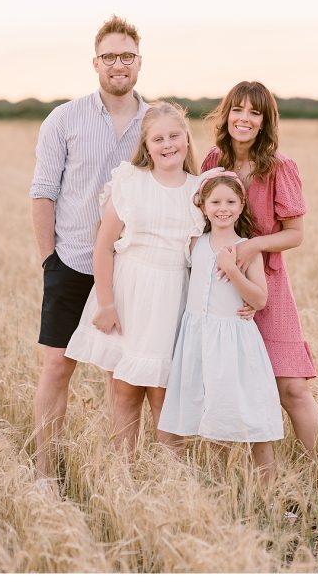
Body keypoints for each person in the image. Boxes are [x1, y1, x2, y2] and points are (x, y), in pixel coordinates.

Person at [201, 81, 318, 514]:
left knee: (292, 388)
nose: (244, 119)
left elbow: (296, 234)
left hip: (271, 287)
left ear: (266, 121)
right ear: (226, 115)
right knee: (227, 385)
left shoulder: (280, 167)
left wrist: (252, 247)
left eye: (255, 113)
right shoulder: (213, 161)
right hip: (223, 287)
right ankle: (251, 494)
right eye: (237, 110)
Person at [29, 16, 148, 486]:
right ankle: (45, 475)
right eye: (110, 57)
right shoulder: (64, 118)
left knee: (122, 376)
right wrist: (48, 260)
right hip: (73, 262)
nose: (118, 64)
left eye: (127, 56)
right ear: (95, 62)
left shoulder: (156, 121)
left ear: (139, 62)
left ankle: (122, 476)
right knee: (58, 367)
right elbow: (43, 193)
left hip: (134, 267)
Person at [64, 102, 205, 453]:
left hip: (173, 296)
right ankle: (122, 480)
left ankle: (171, 482)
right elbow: (104, 247)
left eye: (175, 135)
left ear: (187, 139)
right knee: (125, 391)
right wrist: (107, 303)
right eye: (158, 138)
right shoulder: (130, 181)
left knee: (165, 394)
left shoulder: (199, 190)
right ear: (147, 145)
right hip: (130, 294)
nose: (168, 144)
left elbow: (202, 256)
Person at [158, 172, 282, 485]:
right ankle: (218, 493)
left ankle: (268, 496)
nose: (222, 208)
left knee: (250, 418)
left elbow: (261, 299)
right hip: (199, 341)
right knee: (212, 419)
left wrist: (231, 270)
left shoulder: (246, 248)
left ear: (242, 206)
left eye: (230, 201)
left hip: (234, 343)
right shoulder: (194, 243)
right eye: (215, 201)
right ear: (202, 206)